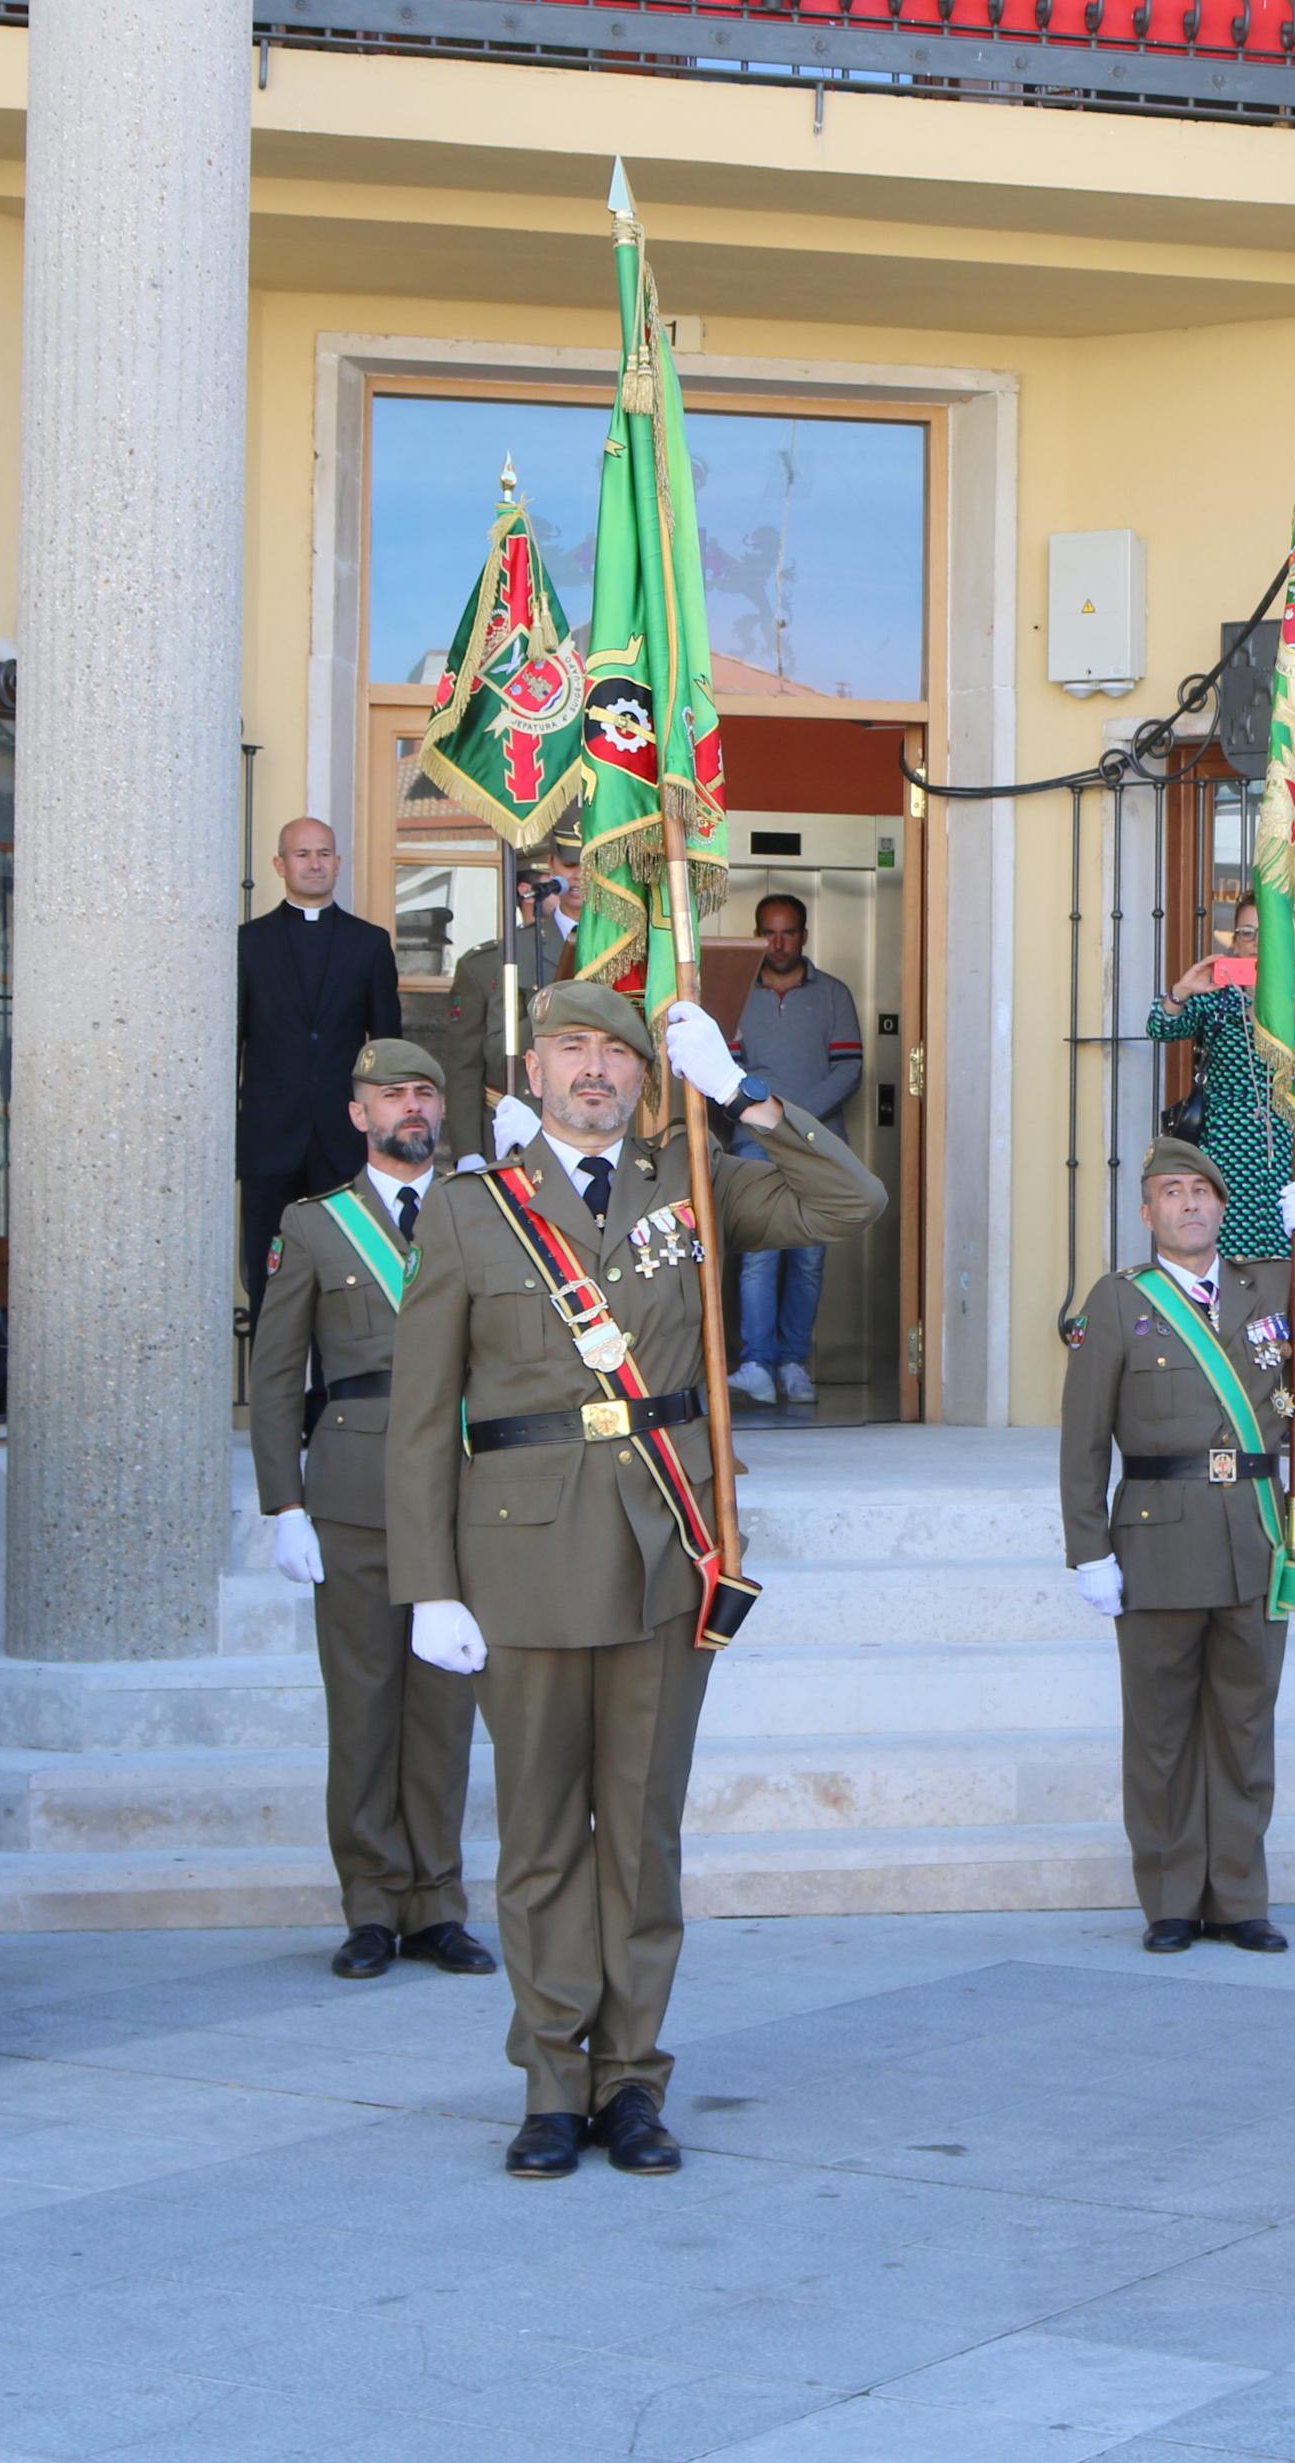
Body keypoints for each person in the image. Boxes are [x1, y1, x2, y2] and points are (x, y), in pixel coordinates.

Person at [388, 980, 885, 2180]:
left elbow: (850, 1201)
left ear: (646, 1076)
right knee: (545, 1835)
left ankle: (633, 2082)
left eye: (613, 1054)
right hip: (520, 1556)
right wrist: (428, 1585)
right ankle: (553, 2081)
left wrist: (747, 1097)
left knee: (641, 1837)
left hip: (667, 1552)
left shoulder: (695, 1183)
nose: (593, 1072)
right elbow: (417, 1417)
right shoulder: (472, 1210)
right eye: (569, 1051)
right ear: (532, 1069)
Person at [1055, 1145, 1295, 1953]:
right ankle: (1168, 1898)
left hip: (1254, 1534)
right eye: (1171, 1192)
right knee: (1159, 1732)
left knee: (1242, 1726)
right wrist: (1087, 1547)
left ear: (1221, 1207)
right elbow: (1083, 1439)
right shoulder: (1119, 1301)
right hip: (1156, 1538)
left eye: (1201, 1191)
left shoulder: (1269, 1285)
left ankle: (1237, 1896)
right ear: (1147, 1211)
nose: (1189, 1204)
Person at [250, 1040, 493, 1986]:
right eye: (393, 1096)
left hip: (463, 1488)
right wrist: (285, 1501)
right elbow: (275, 1377)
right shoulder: (313, 1226)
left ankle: (437, 1902)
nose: (413, 1109)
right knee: (362, 1708)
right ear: (359, 1114)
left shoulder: (482, 1210)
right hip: (351, 1491)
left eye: (426, 1093)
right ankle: (369, 1904)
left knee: (443, 1709)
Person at [238, 817, 406, 1323]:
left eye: (324, 853)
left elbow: (388, 1048)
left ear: (338, 863)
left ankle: (336, 1399)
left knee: (347, 1282)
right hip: (270, 1139)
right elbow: (231, 1041)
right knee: (269, 1281)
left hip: (343, 1138)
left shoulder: (369, 943)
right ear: (279, 864)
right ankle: (277, 1401)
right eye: (302, 854)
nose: (314, 863)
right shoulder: (247, 943)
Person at [728, 892, 868, 1410]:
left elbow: (850, 1069)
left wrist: (796, 1118)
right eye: (768, 932)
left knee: (808, 1259)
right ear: (756, 933)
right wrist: (768, 1119)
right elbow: (730, 1073)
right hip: (755, 1142)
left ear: (804, 936)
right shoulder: (738, 993)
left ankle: (792, 1363)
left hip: (820, 1145)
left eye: (788, 932)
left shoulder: (833, 994)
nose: (778, 942)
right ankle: (756, 1365)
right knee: (759, 1257)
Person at [1146, 898, 1291, 1270]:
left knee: (1284, 1253)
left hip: (1288, 1141)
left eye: (1268, 933)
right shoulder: (1217, 996)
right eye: (1247, 933)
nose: (1256, 942)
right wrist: (1183, 990)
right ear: (1235, 942)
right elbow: (1161, 1027)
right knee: (1228, 1252)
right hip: (1227, 1143)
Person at [432, 871, 577, 1142]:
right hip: (523, 1117)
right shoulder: (502, 956)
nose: (580, 876)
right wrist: (468, 1152)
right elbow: (469, 1063)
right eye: (569, 864)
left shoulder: (626, 945)